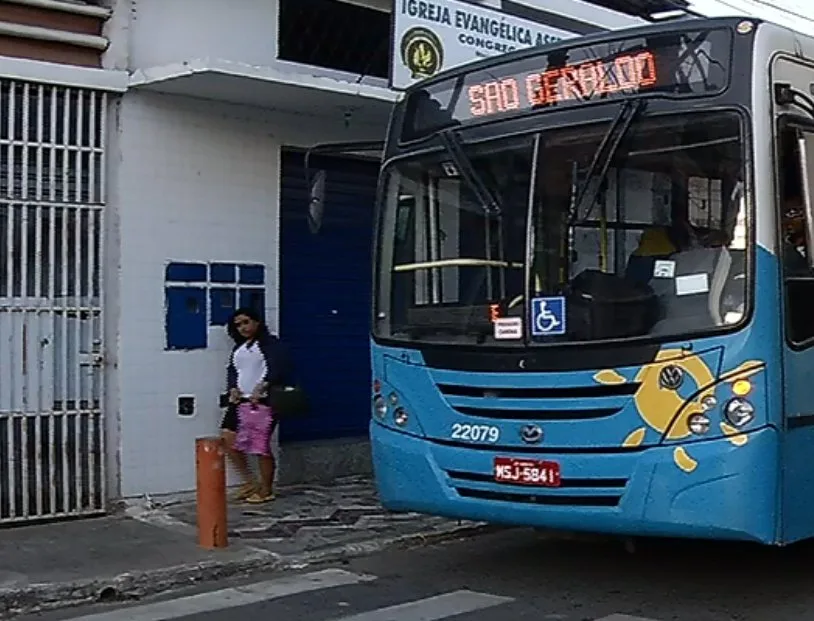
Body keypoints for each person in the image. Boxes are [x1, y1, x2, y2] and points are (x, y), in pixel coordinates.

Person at [222, 307, 291, 504]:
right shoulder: (239, 347)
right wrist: (232, 388)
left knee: (260, 446)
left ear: (256, 322)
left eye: (246, 322)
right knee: (227, 437)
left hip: (262, 402)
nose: (242, 327)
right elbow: (233, 370)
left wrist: (264, 384)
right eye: (238, 325)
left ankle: (266, 489)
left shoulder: (269, 344)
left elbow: (279, 366)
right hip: (240, 401)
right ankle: (250, 481)